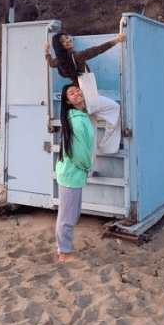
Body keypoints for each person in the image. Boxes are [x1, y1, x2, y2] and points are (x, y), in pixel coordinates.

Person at [43, 31, 125, 163]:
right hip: (87, 96)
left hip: (80, 100)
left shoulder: (60, 61)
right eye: (63, 42)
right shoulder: (77, 56)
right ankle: (107, 146)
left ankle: (89, 167)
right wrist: (116, 40)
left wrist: (46, 51)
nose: (67, 41)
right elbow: (96, 50)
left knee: (90, 133)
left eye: (66, 38)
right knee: (115, 109)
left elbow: (51, 63)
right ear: (60, 47)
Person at [55, 83, 94, 262]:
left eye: (77, 90)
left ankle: (62, 248)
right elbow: (78, 152)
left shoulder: (80, 116)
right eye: (72, 93)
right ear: (68, 101)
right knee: (68, 216)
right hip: (72, 172)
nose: (76, 93)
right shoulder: (76, 120)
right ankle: (64, 253)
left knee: (72, 213)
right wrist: (87, 166)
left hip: (73, 173)